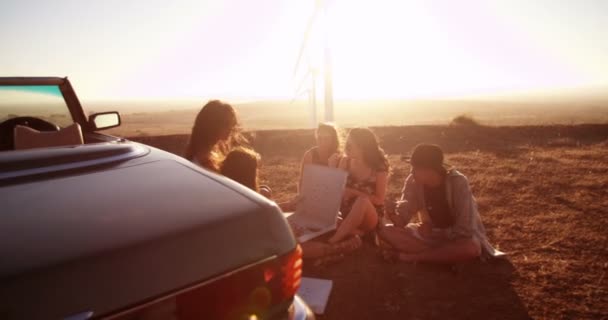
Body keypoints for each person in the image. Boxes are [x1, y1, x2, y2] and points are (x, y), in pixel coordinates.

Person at [378, 144, 504, 263]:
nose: (411, 172)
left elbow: (465, 229)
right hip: (429, 238)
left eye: (415, 168)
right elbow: (402, 221)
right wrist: (391, 212)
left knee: (471, 248)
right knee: (385, 231)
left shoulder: (458, 182)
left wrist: (435, 232)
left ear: (429, 170)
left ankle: (411, 257)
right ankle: (442, 256)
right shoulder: (413, 181)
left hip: (456, 239)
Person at [327, 128, 389, 244]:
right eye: (346, 144)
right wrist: (332, 170)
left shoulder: (379, 167)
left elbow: (379, 200)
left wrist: (353, 192)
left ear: (363, 147)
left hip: (369, 215)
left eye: (350, 145)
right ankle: (359, 233)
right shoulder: (345, 162)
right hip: (346, 212)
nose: (346, 148)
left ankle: (334, 240)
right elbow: (333, 192)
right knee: (323, 211)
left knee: (362, 201)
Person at [184, 100, 245, 172]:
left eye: (232, 124)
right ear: (212, 125)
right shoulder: (205, 164)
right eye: (226, 124)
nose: (230, 128)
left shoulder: (201, 156)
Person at [299, 123, 342, 188]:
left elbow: (339, 185)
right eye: (319, 138)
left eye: (326, 138)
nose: (322, 142)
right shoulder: (310, 155)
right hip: (312, 192)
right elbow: (302, 181)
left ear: (333, 139)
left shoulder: (339, 157)